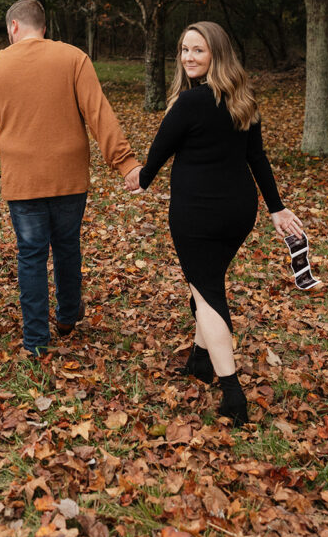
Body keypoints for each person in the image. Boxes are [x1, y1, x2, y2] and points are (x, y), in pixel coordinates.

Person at [125, 22, 303, 426]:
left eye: (198, 51)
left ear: (216, 55)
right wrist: (275, 208)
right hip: (238, 213)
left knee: (206, 296)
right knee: (206, 283)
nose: (188, 57)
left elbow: (157, 154)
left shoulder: (188, 104)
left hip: (197, 214)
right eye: (184, 50)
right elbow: (256, 157)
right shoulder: (244, 99)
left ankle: (233, 396)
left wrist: (141, 176)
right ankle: (200, 361)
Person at [0, 0, 141, 356]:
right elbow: (99, 113)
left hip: (23, 179)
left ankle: (35, 340)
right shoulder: (74, 58)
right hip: (69, 176)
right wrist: (126, 164)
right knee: (66, 246)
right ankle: (66, 315)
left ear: (14, 27)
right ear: (43, 27)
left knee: (30, 255)